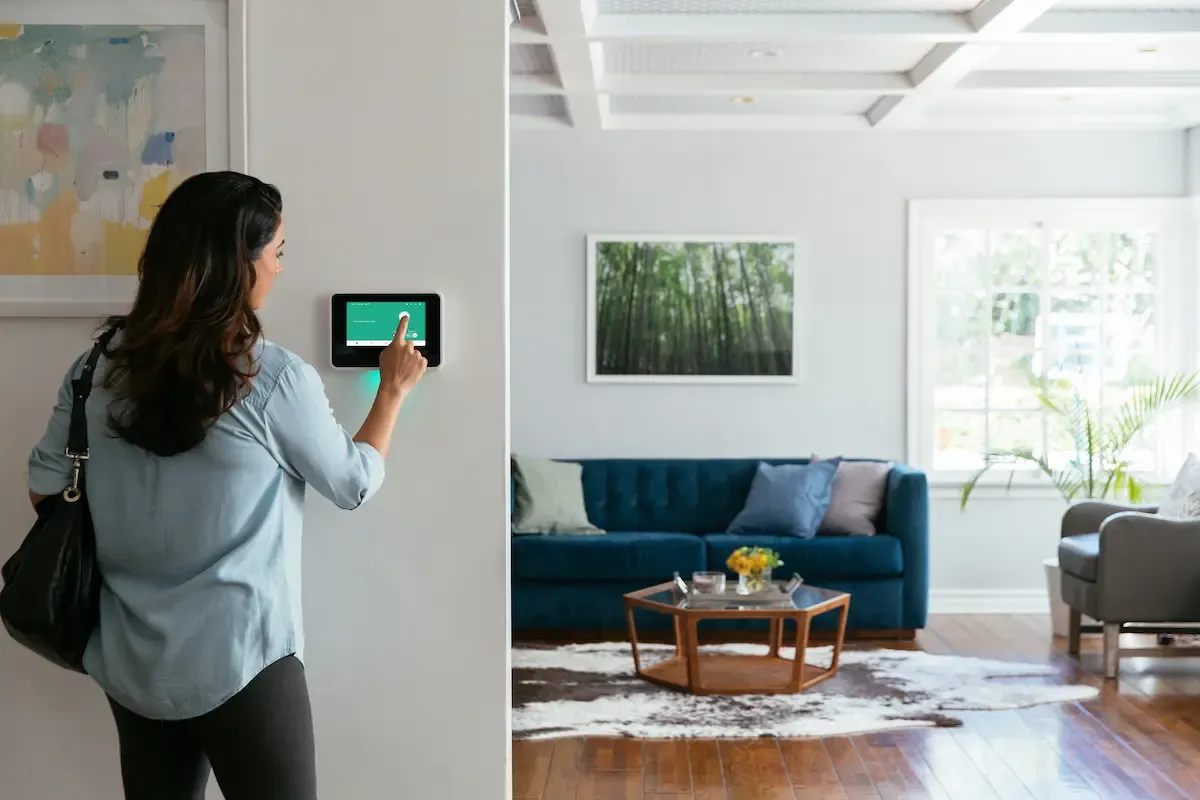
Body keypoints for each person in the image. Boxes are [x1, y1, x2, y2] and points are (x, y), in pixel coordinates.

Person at [26, 170, 426, 800]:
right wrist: (392, 393)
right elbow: (352, 483)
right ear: (239, 265)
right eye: (278, 254)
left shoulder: (95, 368)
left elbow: (47, 490)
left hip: (131, 659)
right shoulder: (270, 379)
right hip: (248, 659)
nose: (281, 270)